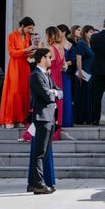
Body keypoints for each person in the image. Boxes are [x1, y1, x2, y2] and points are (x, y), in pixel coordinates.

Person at [26, 48, 60, 195]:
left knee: (43, 153)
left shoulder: (45, 75)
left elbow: (59, 91)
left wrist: (54, 92)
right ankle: (38, 184)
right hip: (42, 118)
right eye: (48, 57)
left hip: (49, 117)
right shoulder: (36, 75)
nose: (51, 59)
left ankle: (34, 183)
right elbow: (47, 95)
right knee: (40, 153)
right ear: (41, 58)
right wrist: (53, 93)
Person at [0, 17, 36, 129]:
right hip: (15, 66)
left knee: (24, 92)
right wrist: (26, 50)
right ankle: (9, 119)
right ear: (23, 26)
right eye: (29, 28)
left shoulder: (28, 36)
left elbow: (26, 53)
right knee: (13, 92)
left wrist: (33, 52)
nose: (30, 30)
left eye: (31, 28)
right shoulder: (12, 35)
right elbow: (12, 52)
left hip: (25, 66)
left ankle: (20, 119)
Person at [74, 25, 95, 125]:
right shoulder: (81, 43)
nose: (92, 34)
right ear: (85, 33)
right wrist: (80, 73)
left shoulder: (89, 44)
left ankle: (87, 117)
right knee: (82, 96)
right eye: (90, 32)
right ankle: (80, 118)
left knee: (87, 96)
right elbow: (79, 59)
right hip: (83, 73)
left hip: (90, 73)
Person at [57, 24, 74, 128]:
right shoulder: (55, 43)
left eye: (58, 31)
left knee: (66, 96)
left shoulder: (69, 44)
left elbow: (73, 59)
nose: (57, 33)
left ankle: (66, 121)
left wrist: (65, 64)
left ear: (63, 32)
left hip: (65, 73)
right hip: (56, 72)